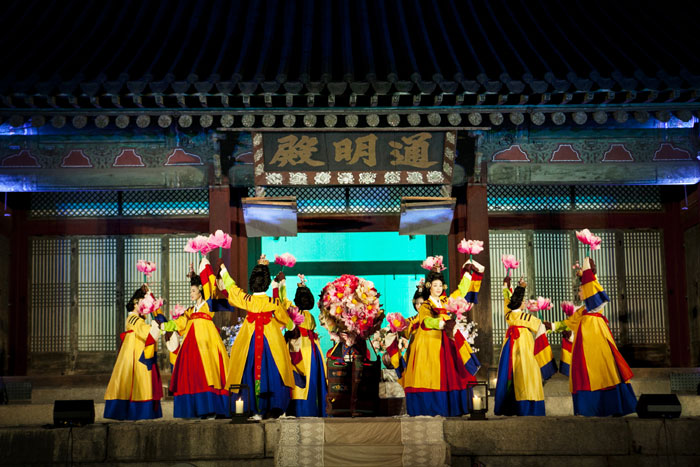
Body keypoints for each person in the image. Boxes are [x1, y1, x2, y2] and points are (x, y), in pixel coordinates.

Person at [545, 256, 636, 416]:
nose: (579, 292)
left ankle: (611, 406)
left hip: (598, 347)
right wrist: (551, 326)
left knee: (605, 373)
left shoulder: (596, 309)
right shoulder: (582, 312)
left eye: (580, 290)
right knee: (584, 375)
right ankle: (588, 409)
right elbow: (568, 323)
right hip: (584, 350)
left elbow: (595, 293)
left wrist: (588, 273)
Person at [399, 263, 482, 417]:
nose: (438, 288)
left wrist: (467, 274)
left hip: (447, 340)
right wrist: (441, 323)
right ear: (429, 287)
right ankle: (433, 406)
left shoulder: (445, 301)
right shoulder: (425, 305)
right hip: (430, 343)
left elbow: (460, 292)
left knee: (453, 371)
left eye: (440, 285)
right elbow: (425, 321)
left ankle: (453, 406)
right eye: (435, 285)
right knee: (431, 374)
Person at [219, 255, 296, 418]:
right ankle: (272, 406)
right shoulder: (273, 303)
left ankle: (253, 407)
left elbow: (232, 290)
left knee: (247, 368)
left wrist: (224, 271)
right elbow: (285, 320)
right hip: (271, 341)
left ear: (252, 282)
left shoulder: (247, 299)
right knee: (275, 369)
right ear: (267, 283)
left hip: (250, 339)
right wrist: (292, 325)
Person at [165, 259, 230, 418]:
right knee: (193, 375)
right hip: (191, 346)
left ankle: (211, 408)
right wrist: (164, 327)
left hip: (207, 344)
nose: (191, 294)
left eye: (193, 291)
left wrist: (204, 266)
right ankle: (195, 409)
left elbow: (210, 288)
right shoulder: (190, 311)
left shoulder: (208, 305)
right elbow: (179, 322)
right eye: (190, 291)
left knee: (209, 375)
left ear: (201, 290)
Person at [494, 276, 554, 416]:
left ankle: (509, 407)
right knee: (527, 374)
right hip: (524, 346)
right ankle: (528, 407)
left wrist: (506, 286)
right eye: (523, 301)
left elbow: (506, 302)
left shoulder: (509, 315)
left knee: (510, 373)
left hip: (509, 347)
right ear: (520, 304)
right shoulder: (526, 318)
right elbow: (540, 326)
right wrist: (551, 328)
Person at [104, 285, 163, 420]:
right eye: (143, 303)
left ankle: (138, 412)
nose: (145, 307)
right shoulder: (133, 318)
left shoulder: (137, 319)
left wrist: (151, 297)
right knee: (137, 385)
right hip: (134, 357)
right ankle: (136, 412)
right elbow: (146, 331)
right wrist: (156, 324)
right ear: (136, 303)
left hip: (138, 354)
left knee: (140, 383)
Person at [277, 275, 327, 417]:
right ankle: (311, 409)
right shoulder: (310, 315)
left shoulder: (295, 312)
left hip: (297, 346)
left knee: (297, 380)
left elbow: (283, 302)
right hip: (311, 349)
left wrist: (282, 283)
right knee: (310, 379)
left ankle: (298, 409)